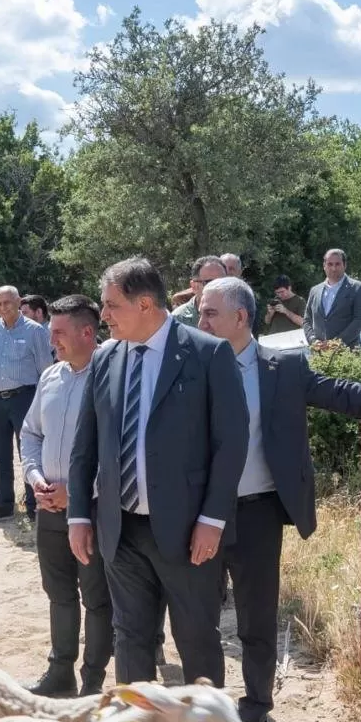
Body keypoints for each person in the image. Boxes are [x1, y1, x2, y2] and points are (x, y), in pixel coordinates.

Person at [196, 276, 361, 722]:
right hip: (200, 515)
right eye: (199, 312)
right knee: (199, 619)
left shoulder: (283, 368)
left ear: (241, 317)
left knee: (257, 617)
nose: (200, 321)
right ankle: (208, 714)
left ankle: (254, 709)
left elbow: (339, 393)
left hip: (256, 514)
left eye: (209, 312)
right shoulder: (191, 366)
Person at [67, 256, 248, 689]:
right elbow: (85, 444)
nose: (103, 315)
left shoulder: (207, 354)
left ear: (145, 303)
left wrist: (212, 519)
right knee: (130, 638)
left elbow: (231, 443)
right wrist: (78, 515)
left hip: (188, 534)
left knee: (197, 642)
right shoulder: (106, 359)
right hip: (120, 529)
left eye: (111, 306)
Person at [23, 295, 113, 698]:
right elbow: (31, 432)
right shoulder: (51, 378)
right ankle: (60, 672)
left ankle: (92, 681)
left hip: (91, 510)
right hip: (49, 508)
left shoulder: (111, 379)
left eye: (58, 332)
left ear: (87, 332)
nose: (51, 340)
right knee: (58, 593)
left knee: (96, 599)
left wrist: (76, 492)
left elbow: (119, 451)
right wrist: (35, 476)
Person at [0, 285, 52, 522]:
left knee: (29, 454)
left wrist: (43, 405)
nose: (3, 308)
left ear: (18, 302)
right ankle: (4, 505)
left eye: (7, 302)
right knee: (0, 455)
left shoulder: (35, 331)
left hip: (24, 399)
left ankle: (32, 506)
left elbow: (46, 371)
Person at [303, 248, 361, 347]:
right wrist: (313, 340)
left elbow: (360, 320)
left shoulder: (357, 288)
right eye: (330, 264)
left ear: (344, 265)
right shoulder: (315, 291)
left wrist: (337, 342)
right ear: (324, 266)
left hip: (347, 353)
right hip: (320, 354)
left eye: (337, 264)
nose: (334, 268)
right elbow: (307, 320)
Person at [173, 256, 227, 329]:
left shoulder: (236, 315)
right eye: (210, 283)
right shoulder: (178, 320)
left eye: (224, 282)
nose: (219, 288)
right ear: (194, 287)